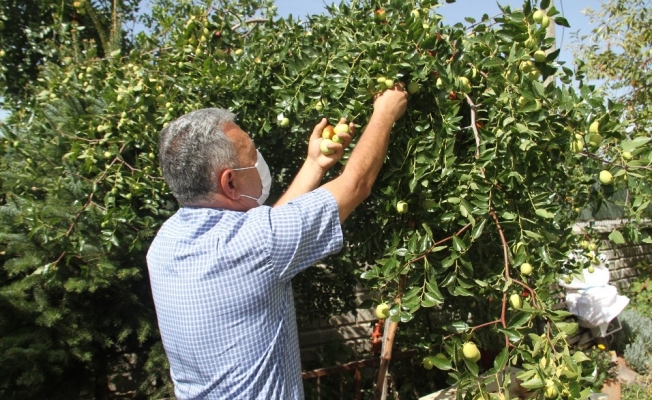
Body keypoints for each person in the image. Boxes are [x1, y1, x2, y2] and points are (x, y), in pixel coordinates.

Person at [146, 84, 408, 399]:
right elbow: (356, 184)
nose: (259, 160)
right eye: (252, 156)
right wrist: (385, 112)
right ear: (230, 182)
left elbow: (266, 239)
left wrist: (315, 164)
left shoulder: (164, 244)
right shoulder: (257, 243)